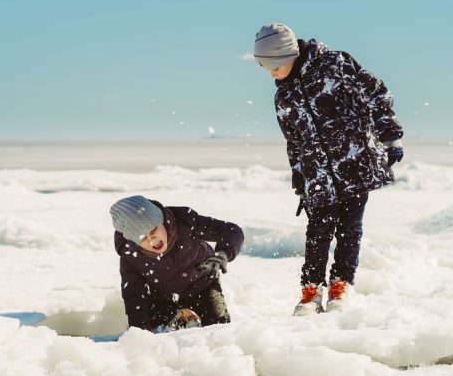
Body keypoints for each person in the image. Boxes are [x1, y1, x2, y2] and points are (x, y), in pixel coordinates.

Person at [253, 23, 404, 315]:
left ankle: (341, 285)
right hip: (317, 176)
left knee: (350, 229)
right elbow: (294, 144)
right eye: (265, 67)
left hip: (354, 163)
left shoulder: (334, 65)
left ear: (289, 54)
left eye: (275, 65)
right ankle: (311, 291)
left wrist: (390, 135)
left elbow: (375, 93)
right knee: (317, 231)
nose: (271, 72)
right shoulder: (284, 97)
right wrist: (301, 182)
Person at [110, 195, 244, 332]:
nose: (152, 240)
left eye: (153, 230)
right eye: (143, 238)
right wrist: (140, 333)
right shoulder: (130, 255)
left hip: (203, 284)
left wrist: (223, 254)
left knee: (220, 330)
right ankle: (180, 318)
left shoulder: (184, 221)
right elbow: (135, 295)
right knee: (158, 334)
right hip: (163, 298)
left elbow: (231, 231)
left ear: (161, 220)